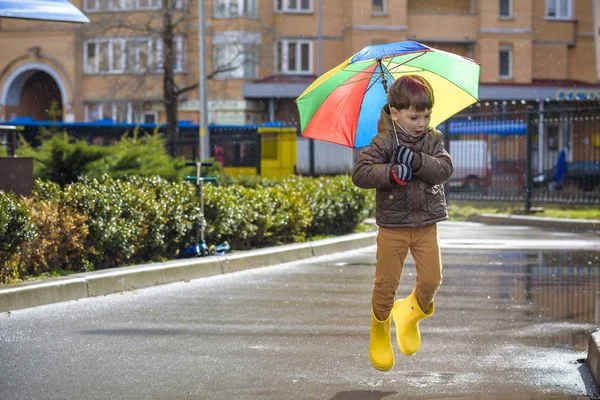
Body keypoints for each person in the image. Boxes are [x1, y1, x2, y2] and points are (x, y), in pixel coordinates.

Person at [352, 75, 454, 371]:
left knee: (432, 280)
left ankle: (409, 313)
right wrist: (391, 172)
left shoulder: (433, 139)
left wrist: (419, 162)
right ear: (395, 114)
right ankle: (380, 329)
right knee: (386, 284)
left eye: (426, 115)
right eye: (413, 116)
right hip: (393, 227)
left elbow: (445, 169)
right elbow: (361, 173)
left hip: (426, 225)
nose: (421, 122)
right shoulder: (383, 142)